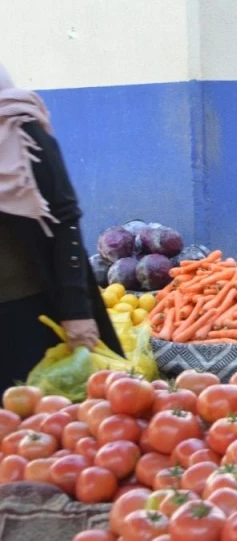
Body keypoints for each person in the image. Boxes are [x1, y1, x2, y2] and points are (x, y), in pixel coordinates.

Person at [0, 63, 122, 385]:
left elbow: (65, 217)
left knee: (27, 416)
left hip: (23, 308)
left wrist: (76, 310)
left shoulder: (23, 131)